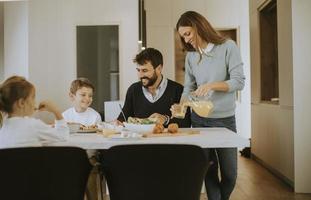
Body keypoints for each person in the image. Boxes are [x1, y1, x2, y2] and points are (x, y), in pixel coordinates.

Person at [173, 11, 245, 200]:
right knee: (208, 171)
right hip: (199, 120)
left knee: (230, 174)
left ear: (199, 27)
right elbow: (189, 87)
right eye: (183, 37)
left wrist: (211, 85)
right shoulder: (191, 56)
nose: (187, 40)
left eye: (188, 34)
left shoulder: (228, 47)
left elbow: (239, 82)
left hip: (224, 120)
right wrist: (181, 105)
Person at [117, 47, 191, 128]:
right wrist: (119, 123)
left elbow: (186, 123)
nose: (140, 75)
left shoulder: (177, 90)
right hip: (141, 139)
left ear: (159, 69)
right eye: (138, 70)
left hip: (168, 140)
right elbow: (123, 117)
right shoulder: (133, 90)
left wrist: (165, 120)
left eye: (145, 71)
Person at [0, 75, 69, 148]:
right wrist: (56, 111)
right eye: (33, 98)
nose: (35, 102)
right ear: (21, 103)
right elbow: (63, 136)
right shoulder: (33, 125)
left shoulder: (3, 127)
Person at [62, 77, 102, 200]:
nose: (87, 98)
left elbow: (99, 140)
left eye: (90, 95)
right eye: (83, 95)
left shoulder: (95, 116)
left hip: (90, 156)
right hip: (70, 155)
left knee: (90, 171)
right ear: (72, 96)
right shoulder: (65, 115)